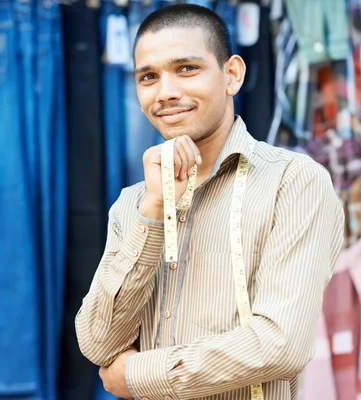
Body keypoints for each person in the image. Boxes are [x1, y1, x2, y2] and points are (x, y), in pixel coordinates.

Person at [75, 4, 345, 400]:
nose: (165, 92)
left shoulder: (293, 181)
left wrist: (139, 374)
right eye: (148, 77)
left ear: (232, 74)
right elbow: (98, 344)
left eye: (186, 69)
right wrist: (152, 213)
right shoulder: (135, 201)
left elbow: (279, 343)